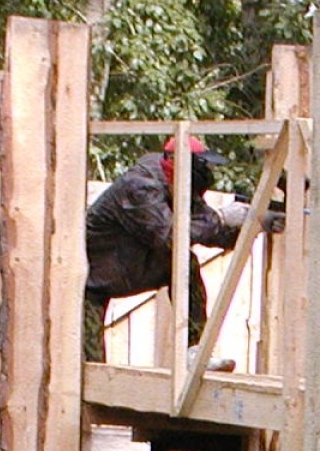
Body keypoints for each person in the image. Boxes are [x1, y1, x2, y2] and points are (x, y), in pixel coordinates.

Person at [84, 137, 282, 351]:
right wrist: (222, 217)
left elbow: (210, 231)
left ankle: (194, 350)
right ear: (187, 167)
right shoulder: (140, 188)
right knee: (85, 363)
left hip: (127, 267)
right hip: (89, 281)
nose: (210, 173)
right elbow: (169, 235)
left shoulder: (178, 183)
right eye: (205, 166)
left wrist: (255, 223)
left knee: (185, 264)